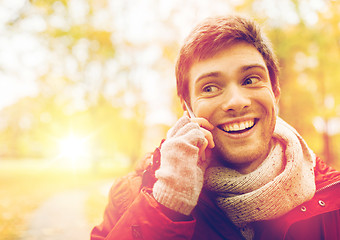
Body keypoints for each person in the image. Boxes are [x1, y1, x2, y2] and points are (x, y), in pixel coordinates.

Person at [91, 15, 340, 240]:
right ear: (187, 107)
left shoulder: (334, 198)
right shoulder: (130, 196)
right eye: (210, 88)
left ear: (275, 93)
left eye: (250, 79)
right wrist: (166, 207)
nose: (236, 101)